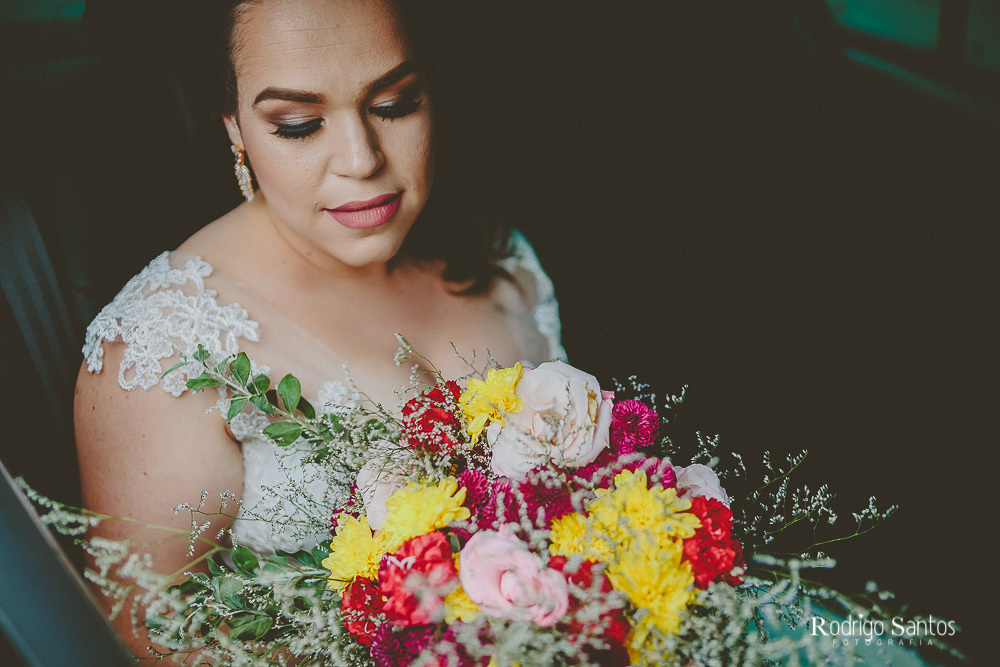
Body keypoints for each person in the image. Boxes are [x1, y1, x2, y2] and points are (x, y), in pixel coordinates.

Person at [73, 0, 563, 654]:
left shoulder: (506, 265)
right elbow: (143, 640)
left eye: (394, 105)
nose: (361, 160)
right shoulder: (163, 345)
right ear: (235, 128)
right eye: (300, 124)